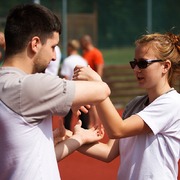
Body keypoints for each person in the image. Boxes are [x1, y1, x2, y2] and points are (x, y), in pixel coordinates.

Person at [0, 4, 110, 180]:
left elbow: (26, 158)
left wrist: (76, 139)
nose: (53, 57)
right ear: (35, 44)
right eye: (52, 47)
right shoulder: (28, 86)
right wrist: (92, 76)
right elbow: (103, 90)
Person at [73, 32, 180, 180]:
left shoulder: (173, 103)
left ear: (165, 66)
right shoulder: (135, 104)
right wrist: (69, 138)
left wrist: (97, 85)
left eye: (143, 63)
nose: (136, 69)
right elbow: (109, 151)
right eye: (134, 63)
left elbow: (117, 130)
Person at [60, 39, 89, 129]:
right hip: (82, 90)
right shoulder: (83, 60)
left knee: (67, 120)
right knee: (84, 119)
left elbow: (65, 78)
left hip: (70, 91)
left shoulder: (67, 61)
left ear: (70, 48)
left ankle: (66, 136)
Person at [80, 34, 105, 127]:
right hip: (86, 83)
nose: (81, 45)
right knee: (89, 107)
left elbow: (99, 69)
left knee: (93, 106)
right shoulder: (84, 53)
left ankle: (96, 125)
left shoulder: (96, 53)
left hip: (93, 83)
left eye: (82, 42)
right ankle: (91, 125)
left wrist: (96, 83)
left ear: (86, 42)